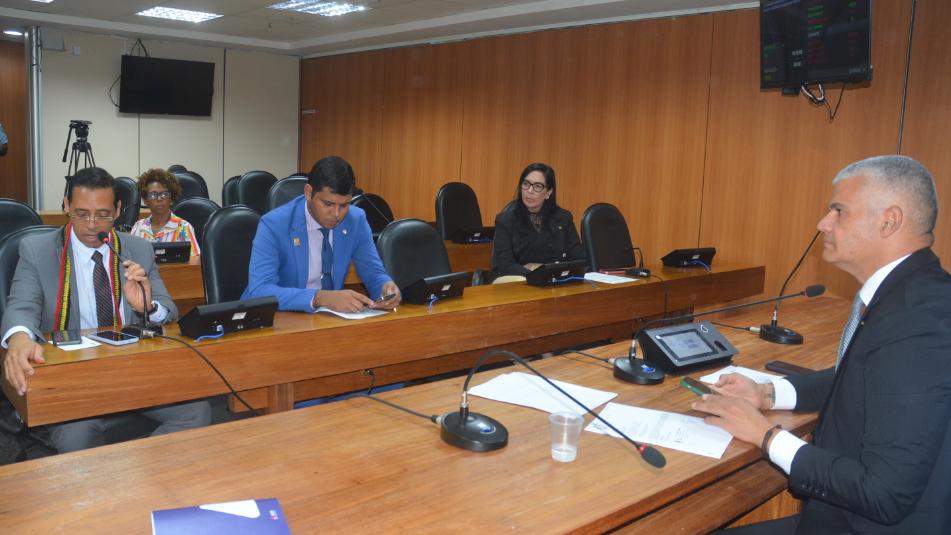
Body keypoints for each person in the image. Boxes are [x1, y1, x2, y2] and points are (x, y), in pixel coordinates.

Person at [694, 155, 951, 534]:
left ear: (889, 220)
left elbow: (884, 495)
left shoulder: (916, 321)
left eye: (838, 211)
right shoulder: (912, 293)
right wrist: (767, 394)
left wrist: (766, 436)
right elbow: (862, 379)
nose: (822, 224)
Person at [0, 167, 211, 453]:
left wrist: (147, 306)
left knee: (196, 413)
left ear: (118, 210)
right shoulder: (37, 250)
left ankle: (134, 469)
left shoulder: (138, 249)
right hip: (71, 373)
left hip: (130, 368)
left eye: (102, 215)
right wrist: (19, 337)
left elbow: (169, 310)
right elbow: (22, 305)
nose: (91, 225)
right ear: (66, 206)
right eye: (81, 213)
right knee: (77, 436)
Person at [242, 155, 400, 313]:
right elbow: (260, 290)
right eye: (328, 204)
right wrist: (319, 298)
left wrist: (385, 288)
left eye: (344, 205)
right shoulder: (273, 224)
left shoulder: (355, 220)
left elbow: (373, 272)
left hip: (326, 318)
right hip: (277, 316)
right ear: (308, 192)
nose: (336, 214)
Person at [491, 162, 585, 279]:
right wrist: (538, 274)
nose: (530, 190)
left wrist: (547, 270)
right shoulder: (506, 220)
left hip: (555, 282)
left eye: (537, 186)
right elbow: (505, 265)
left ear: (549, 192)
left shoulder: (563, 219)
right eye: (526, 184)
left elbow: (579, 258)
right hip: (518, 282)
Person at [129, 168, 201, 265]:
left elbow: (195, 262)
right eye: (153, 195)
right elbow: (129, 259)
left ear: (171, 199)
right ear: (146, 200)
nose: (159, 199)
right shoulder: (138, 227)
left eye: (165, 194)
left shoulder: (183, 227)